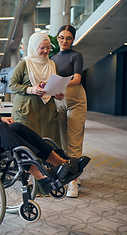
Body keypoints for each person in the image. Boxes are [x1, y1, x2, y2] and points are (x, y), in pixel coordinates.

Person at [9, 33, 64, 146]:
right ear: (34, 47)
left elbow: (54, 86)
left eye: (48, 47)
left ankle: (50, 164)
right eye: (42, 47)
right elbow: (12, 85)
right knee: (27, 143)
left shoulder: (53, 65)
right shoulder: (25, 63)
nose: (45, 51)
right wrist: (31, 90)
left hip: (47, 111)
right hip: (26, 110)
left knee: (49, 143)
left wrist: (57, 95)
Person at [51, 25, 87, 198]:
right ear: (57, 38)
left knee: (74, 140)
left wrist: (58, 84)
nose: (64, 41)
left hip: (75, 101)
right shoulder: (52, 58)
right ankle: (71, 172)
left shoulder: (76, 55)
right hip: (59, 100)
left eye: (68, 38)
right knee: (62, 142)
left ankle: (73, 182)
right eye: (61, 37)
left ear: (73, 39)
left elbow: (77, 79)